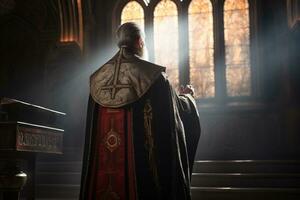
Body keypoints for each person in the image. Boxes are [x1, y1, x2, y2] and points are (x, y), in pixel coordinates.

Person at [79, 22, 201, 200]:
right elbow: (175, 114)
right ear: (140, 42)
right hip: (140, 182)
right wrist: (188, 98)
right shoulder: (155, 77)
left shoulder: (97, 79)